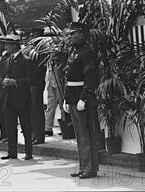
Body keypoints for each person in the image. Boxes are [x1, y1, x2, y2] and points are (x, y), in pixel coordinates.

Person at [64, 22, 99, 179]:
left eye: (74, 33)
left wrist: (83, 98)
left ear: (82, 35)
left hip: (81, 96)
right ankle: (83, 166)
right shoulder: (75, 53)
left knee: (85, 134)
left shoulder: (87, 53)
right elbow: (68, 78)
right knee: (79, 135)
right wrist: (66, 98)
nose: (70, 36)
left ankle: (90, 168)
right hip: (72, 95)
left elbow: (90, 77)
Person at [0, 34, 34, 161]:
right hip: (9, 98)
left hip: (22, 98)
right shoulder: (7, 60)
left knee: (26, 126)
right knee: (10, 126)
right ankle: (12, 152)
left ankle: (28, 152)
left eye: (8, 44)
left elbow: (31, 78)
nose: (5, 46)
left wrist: (16, 82)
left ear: (15, 46)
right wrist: (3, 82)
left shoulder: (26, 60)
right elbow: (3, 75)